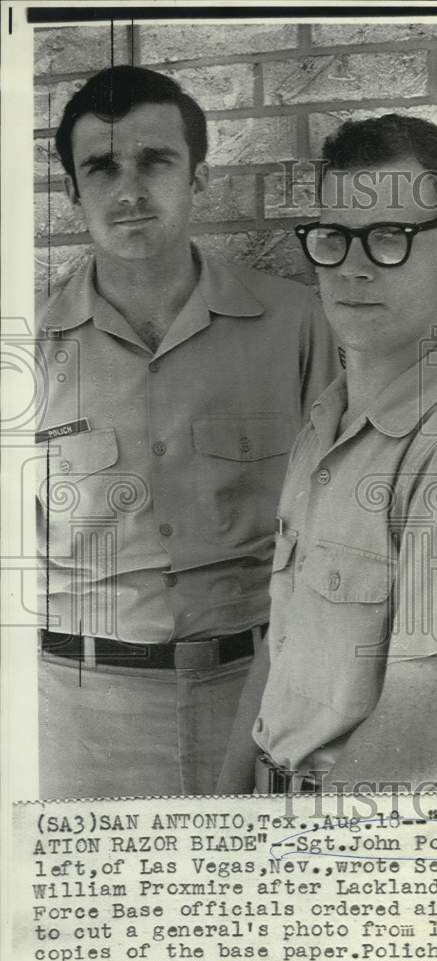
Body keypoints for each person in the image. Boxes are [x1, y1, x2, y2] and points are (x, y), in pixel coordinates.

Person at [36, 65, 337, 799]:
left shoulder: (296, 323)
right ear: (73, 191)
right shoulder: (25, 343)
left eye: (155, 161)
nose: (129, 189)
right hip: (78, 718)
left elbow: (343, 520)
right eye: (101, 167)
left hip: (262, 697)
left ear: (197, 176)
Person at [218, 114, 437, 794]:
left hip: (362, 847)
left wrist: (288, 871)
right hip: (272, 806)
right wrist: (221, 812)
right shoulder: (325, 423)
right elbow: (281, 646)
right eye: (334, 239)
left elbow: (417, 732)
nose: (351, 267)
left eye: (388, 239)